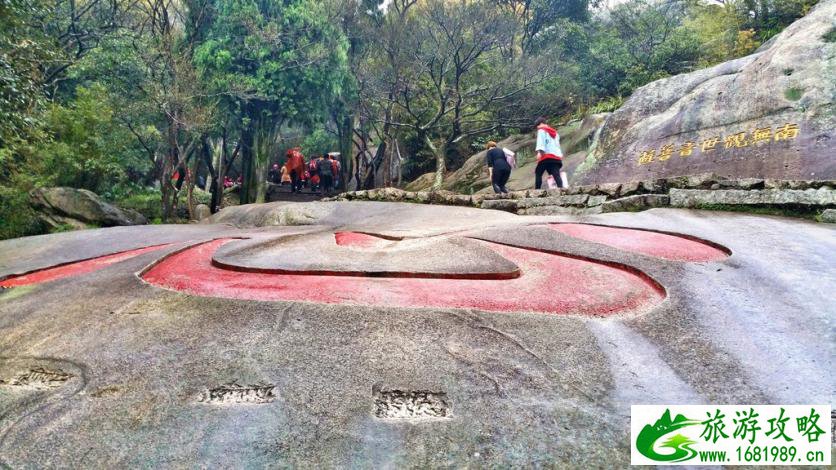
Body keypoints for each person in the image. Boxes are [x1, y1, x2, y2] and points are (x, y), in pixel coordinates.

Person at [533, 117, 564, 189]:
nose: (537, 128)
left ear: (540, 124)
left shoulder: (541, 131)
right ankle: (561, 189)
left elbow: (541, 145)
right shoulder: (555, 133)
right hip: (556, 157)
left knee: (538, 173)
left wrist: (540, 154)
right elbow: (557, 146)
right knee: (556, 174)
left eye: (537, 126)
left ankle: (537, 191)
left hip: (546, 157)